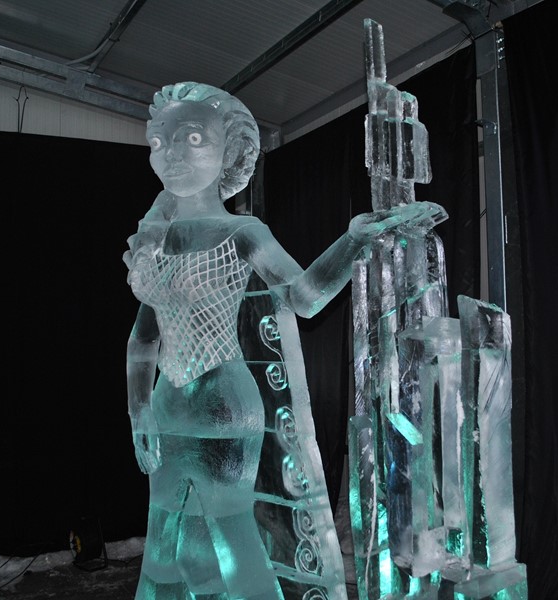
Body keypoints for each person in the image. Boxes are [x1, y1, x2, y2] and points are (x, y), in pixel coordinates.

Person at [124, 81, 445, 599]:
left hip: (223, 406)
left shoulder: (243, 232)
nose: (172, 154)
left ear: (229, 150)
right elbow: (143, 339)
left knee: (233, 538)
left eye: (193, 139)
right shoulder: (155, 243)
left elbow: (304, 296)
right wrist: (139, 409)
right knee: (169, 548)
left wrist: (353, 240)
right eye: (160, 142)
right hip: (167, 410)